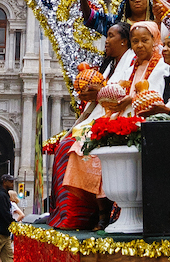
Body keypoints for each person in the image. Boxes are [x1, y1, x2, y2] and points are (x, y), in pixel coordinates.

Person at [48, 22, 136, 230]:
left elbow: (123, 92)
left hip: (118, 116)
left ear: (124, 41)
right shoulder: (110, 67)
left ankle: (87, 214)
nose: (106, 40)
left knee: (75, 147)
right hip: (102, 117)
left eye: (111, 36)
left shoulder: (131, 62)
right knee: (63, 145)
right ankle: (65, 213)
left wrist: (101, 92)